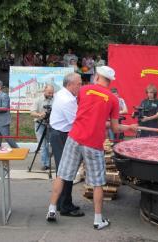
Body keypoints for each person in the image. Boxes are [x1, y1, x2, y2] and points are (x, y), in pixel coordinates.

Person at [46, 66, 137, 230]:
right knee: (97, 183)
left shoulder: (84, 90)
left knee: (62, 174)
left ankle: (52, 209)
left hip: (74, 137)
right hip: (93, 143)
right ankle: (98, 219)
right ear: (109, 81)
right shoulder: (113, 99)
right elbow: (115, 129)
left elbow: (84, 112)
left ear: (97, 77)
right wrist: (129, 128)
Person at [49, 72, 84, 217]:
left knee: (63, 170)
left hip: (59, 133)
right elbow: (76, 122)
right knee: (66, 170)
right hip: (62, 135)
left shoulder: (63, 94)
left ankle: (60, 203)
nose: (81, 86)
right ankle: (65, 206)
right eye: (79, 84)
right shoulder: (67, 100)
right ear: (70, 85)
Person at [30, 85, 54, 170]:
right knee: (43, 145)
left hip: (51, 124)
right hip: (40, 123)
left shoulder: (55, 100)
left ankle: (50, 158)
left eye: (52, 92)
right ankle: (46, 164)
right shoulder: (38, 100)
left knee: (52, 144)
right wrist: (40, 114)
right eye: (49, 93)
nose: (51, 94)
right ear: (44, 91)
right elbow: (32, 112)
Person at [0, 80, 18, 148]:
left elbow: (5, 108)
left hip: (3, 121)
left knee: (7, 137)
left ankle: (17, 149)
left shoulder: (4, 96)